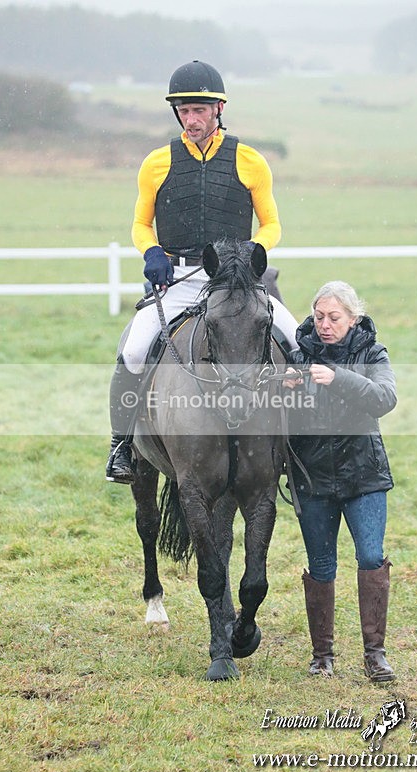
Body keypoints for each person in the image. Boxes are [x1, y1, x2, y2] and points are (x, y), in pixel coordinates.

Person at [106, 60, 298, 484]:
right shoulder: (156, 163)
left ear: (219, 109)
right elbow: (140, 223)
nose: (191, 119)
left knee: (295, 337)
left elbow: (272, 224)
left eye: (199, 110)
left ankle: (302, 443)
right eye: (184, 111)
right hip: (175, 279)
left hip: (235, 282)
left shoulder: (251, 161)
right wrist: (152, 251)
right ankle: (121, 444)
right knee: (134, 352)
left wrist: (255, 252)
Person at [283, 281, 397, 682]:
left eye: (334, 318)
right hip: (312, 478)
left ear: (353, 318)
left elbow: (385, 399)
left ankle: (375, 654)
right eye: (319, 317)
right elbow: (278, 416)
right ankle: (322, 657)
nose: (325, 325)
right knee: (321, 564)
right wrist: (285, 390)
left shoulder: (372, 352)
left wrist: (338, 378)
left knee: (370, 556)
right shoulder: (296, 356)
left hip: (364, 475)